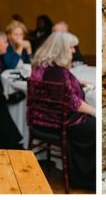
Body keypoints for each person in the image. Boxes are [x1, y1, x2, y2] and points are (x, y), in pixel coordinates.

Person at [27, 31, 96, 191]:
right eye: (71, 47)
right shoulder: (57, 72)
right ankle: (85, 178)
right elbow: (73, 103)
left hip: (41, 119)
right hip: (57, 123)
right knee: (96, 126)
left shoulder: (42, 66)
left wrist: (81, 83)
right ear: (61, 49)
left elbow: (64, 87)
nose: (74, 51)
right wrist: (93, 111)